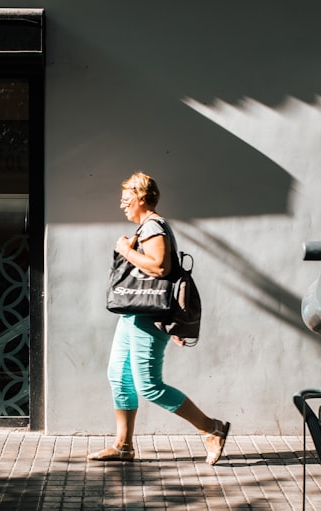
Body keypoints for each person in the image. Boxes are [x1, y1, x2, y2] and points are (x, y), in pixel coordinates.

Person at [88, 172, 230, 464]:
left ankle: (211, 428)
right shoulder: (145, 227)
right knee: (119, 376)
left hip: (148, 317)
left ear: (141, 198)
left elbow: (159, 268)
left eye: (126, 198)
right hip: (133, 314)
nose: (122, 204)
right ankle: (123, 445)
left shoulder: (153, 226)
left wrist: (127, 251)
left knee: (149, 385)